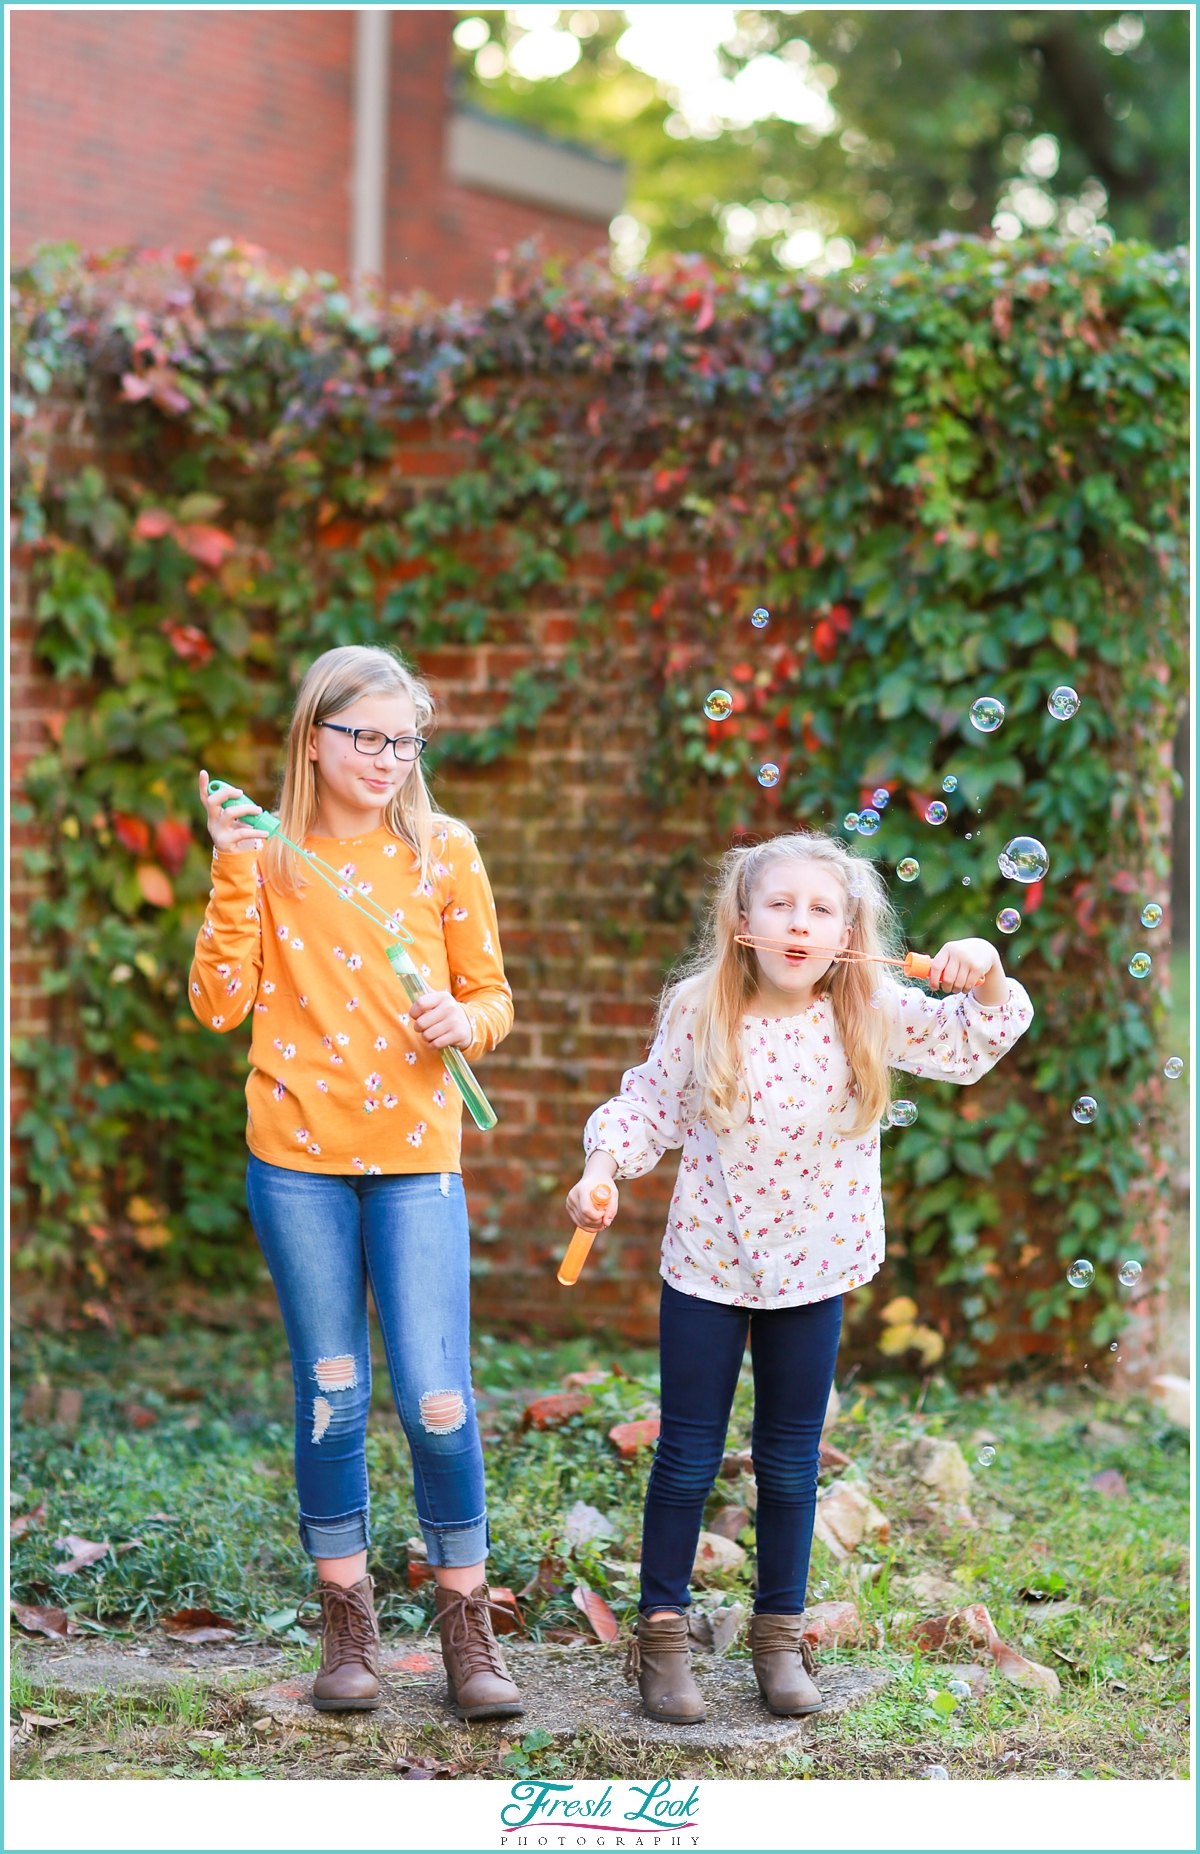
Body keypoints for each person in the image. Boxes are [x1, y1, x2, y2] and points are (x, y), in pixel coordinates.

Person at [565, 831, 1033, 1724]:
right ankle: (662, 1637)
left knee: (789, 1463)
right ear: (742, 921)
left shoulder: (871, 1009)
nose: (798, 923)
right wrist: (601, 1166)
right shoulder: (701, 1009)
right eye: (779, 904)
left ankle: (778, 1639)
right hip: (707, 1263)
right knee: (688, 1455)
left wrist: (989, 971)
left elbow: (979, 1038)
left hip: (817, 1269)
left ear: (848, 931)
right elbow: (647, 1106)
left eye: (820, 909)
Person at [189, 644, 523, 1721]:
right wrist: (231, 863)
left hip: (419, 1160)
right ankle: (348, 1630)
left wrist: (463, 1022)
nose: (388, 758)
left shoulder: (442, 851)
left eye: (405, 739)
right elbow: (216, 1004)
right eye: (366, 737)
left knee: (436, 1395)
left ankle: (469, 1633)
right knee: (333, 1392)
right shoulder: (271, 858)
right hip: (297, 1163)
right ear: (313, 737)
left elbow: (493, 999)